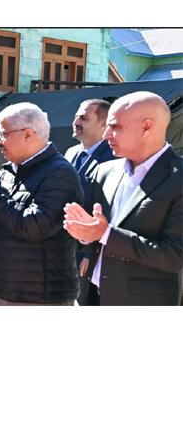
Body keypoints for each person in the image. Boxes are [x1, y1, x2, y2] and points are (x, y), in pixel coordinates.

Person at [63, 92, 182, 306]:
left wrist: (105, 234)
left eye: (115, 127)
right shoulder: (106, 171)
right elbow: (95, 230)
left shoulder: (178, 177)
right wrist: (84, 235)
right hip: (91, 297)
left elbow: (174, 256)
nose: (107, 134)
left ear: (146, 127)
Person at [0, 103, 81, 305]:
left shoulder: (59, 174)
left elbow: (35, 227)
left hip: (40, 295)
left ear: (28, 134)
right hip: (7, 289)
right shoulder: (7, 171)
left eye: (4, 134)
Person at [63, 98, 115, 305]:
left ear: (103, 124)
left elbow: (108, 208)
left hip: (90, 250)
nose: (76, 121)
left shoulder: (113, 158)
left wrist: (89, 252)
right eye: (76, 116)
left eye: (84, 117)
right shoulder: (71, 152)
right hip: (65, 245)